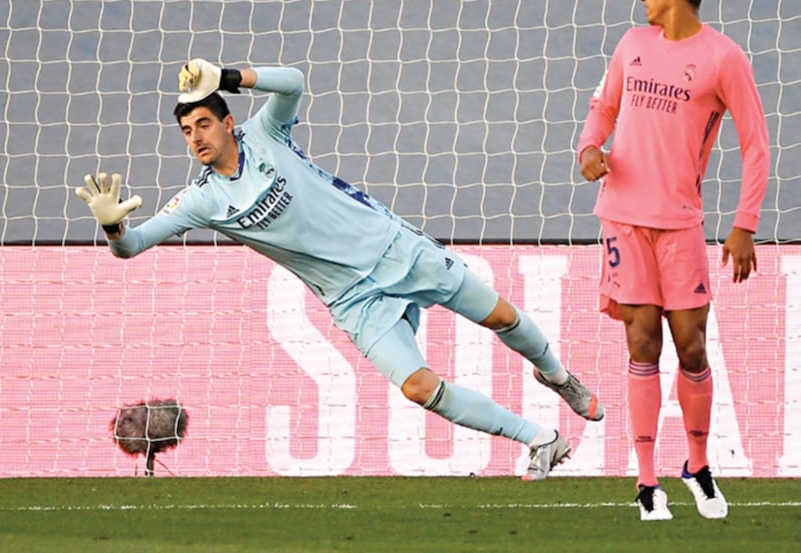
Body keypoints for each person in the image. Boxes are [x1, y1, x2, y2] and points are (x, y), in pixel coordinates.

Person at [77, 57, 604, 481]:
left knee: (502, 318)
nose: (195, 137)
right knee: (418, 389)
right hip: (352, 299)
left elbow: (293, 84)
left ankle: (559, 377)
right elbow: (133, 246)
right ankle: (540, 439)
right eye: (187, 130)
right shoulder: (200, 201)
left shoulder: (266, 134)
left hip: (394, 248)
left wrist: (228, 77)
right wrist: (113, 228)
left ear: (228, 121)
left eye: (204, 123)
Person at [576, 0, 770, 520]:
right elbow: (601, 108)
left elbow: (755, 144)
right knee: (641, 341)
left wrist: (745, 225)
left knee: (690, 345)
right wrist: (589, 147)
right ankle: (644, 480)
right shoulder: (632, 45)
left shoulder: (724, 58)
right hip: (623, 218)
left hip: (681, 224)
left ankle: (697, 464)